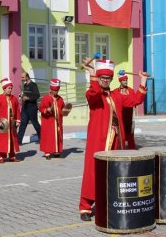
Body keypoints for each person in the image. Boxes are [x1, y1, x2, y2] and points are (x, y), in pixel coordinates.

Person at [79, 58, 148, 221]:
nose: (105, 81)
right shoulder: (93, 95)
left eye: (107, 78)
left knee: (112, 173)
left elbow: (135, 100)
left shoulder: (116, 95)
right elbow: (94, 92)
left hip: (115, 141)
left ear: (111, 79)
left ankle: (108, 202)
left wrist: (143, 81)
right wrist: (91, 73)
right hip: (99, 141)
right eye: (102, 78)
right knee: (93, 172)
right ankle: (85, 206)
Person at [0, 78, 21, 163]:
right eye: (9, 88)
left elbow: (17, 110)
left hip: (11, 124)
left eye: (11, 88)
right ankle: (1, 156)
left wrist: (18, 120)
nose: (10, 90)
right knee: (2, 140)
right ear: (4, 88)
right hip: (2, 124)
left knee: (12, 140)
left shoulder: (14, 99)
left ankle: (12, 156)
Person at [38, 78, 66, 159]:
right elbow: (41, 108)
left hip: (58, 122)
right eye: (55, 90)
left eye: (57, 90)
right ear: (51, 89)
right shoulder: (46, 98)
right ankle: (47, 152)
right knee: (48, 136)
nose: (56, 92)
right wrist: (47, 110)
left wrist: (66, 110)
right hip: (48, 121)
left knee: (58, 136)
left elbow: (63, 108)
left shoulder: (60, 99)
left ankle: (57, 151)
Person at [112, 71, 138, 149]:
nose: (125, 81)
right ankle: (119, 149)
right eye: (124, 80)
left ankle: (132, 150)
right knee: (120, 134)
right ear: (120, 81)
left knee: (130, 134)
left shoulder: (131, 90)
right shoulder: (116, 91)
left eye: (126, 80)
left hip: (129, 115)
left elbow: (135, 101)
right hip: (120, 116)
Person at [17, 71, 41, 144]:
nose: (21, 79)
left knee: (35, 123)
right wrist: (21, 96)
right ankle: (18, 141)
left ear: (27, 77)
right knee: (23, 124)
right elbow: (25, 94)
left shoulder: (33, 85)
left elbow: (37, 95)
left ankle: (42, 138)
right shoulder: (25, 85)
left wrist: (28, 98)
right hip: (25, 107)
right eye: (21, 77)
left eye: (23, 77)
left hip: (32, 107)